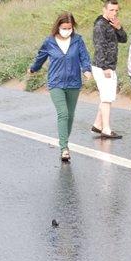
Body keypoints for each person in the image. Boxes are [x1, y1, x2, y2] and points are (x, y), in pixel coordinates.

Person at [29, 12, 93, 163]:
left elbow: (84, 56)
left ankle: (64, 142)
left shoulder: (77, 40)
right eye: (64, 27)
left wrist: (87, 69)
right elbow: (41, 57)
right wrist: (33, 69)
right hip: (56, 83)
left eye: (70, 28)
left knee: (70, 116)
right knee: (63, 113)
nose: (67, 30)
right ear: (58, 26)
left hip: (74, 83)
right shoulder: (49, 42)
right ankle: (64, 148)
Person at [90, 0, 127, 139]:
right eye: (111, 10)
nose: (114, 13)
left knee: (108, 97)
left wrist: (119, 28)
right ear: (104, 10)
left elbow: (123, 39)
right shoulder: (100, 24)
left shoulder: (112, 24)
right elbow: (99, 46)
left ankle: (97, 124)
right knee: (106, 98)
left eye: (116, 10)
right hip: (102, 66)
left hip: (110, 65)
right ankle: (106, 128)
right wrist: (105, 67)